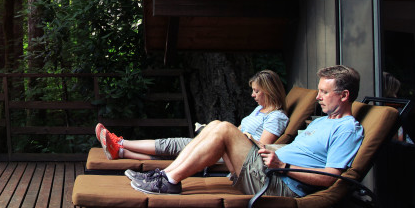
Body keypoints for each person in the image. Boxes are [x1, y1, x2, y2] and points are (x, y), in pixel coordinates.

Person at [130, 65, 364, 197]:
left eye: (324, 92)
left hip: (280, 184)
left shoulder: (347, 130)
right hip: (270, 171)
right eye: (319, 91)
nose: (318, 96)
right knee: (215, 126)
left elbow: (330, 177)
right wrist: (268, 150)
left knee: (224, 130)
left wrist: (283, 167)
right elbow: (296, 150)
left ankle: (169, 179)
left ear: (344, 96)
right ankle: (165, 176)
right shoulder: (323, 122)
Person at [96, 69, 289, 162]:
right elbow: (241, 132)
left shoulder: (277, 117)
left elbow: (261, 148)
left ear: (269, 91)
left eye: (257, 91)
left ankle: (120, 143)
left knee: (172, 145)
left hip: (233, 155)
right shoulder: (259, 110)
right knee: (174, 152)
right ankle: (120, 151)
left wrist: (228, 135)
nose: (253, 95)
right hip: (225, 145)